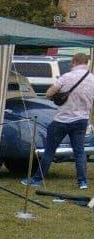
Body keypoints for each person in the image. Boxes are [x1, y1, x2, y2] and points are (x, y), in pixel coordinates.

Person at [23, 52, 92, 192]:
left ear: (74, 62)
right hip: (82, 120)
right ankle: (82, 182)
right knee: (79, 151)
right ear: (86, 63)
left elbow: (49, 93)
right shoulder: (92, 79)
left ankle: (37, 179)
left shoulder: (66, 77)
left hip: (62, 119)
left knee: (50, 150)